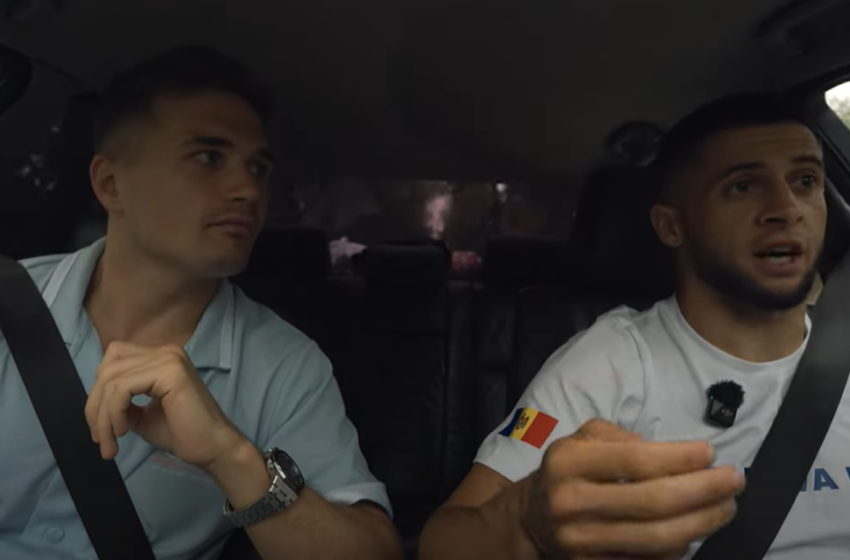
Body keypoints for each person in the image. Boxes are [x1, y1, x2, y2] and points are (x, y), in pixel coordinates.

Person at [0, 47, 402, 560]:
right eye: (209, 158)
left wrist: (229, 455)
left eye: (257, 168)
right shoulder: (9, 302)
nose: (248, 190)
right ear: (110, 184)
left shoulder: (286, 365)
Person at [419, 94, 830, 560]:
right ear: (671, 227)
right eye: (743, 186)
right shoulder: (606, 362)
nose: (787, 207)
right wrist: (526, 520)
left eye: (806, 180)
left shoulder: (839, 345)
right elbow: (443, 544)